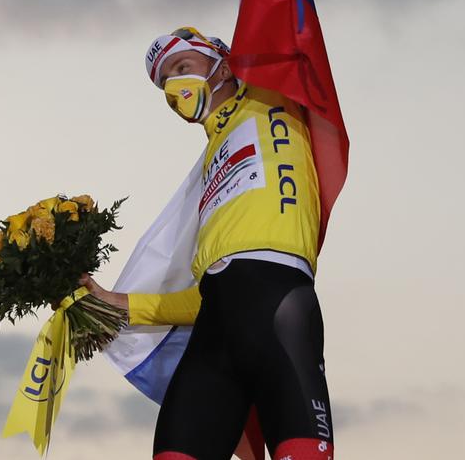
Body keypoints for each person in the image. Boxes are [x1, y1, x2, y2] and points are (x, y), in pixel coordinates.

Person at [81, 26, 335, 460]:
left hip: (278, 305)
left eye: (182, 68)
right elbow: (211, 297)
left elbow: (281, 23)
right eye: (165, 84)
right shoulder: (208, 170)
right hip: (214, 335)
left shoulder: (272, 95)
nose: (174, 88)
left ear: (221, 60)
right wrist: (116, 302)